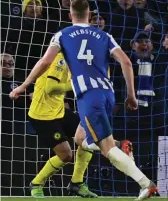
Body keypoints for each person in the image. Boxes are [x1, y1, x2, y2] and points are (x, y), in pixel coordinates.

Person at [10, 0, 157, 200]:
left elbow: (45, 62)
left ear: (70, 15)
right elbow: (127, 62)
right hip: (107, 95)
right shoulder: (105, 35)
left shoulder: (62, 35)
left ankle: (145, 183)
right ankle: (78, 182)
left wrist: (24, 85)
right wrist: (131, 95)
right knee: (81, 139)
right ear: (89, 16)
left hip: (89, 97)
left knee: (106, 148)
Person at [27, 51, 134, 198]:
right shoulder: (60, 59)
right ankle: (37, 183)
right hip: (43, 116)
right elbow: (50, 88)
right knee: (66, 156)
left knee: (87, 133)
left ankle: (77, 183)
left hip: (60, 111)